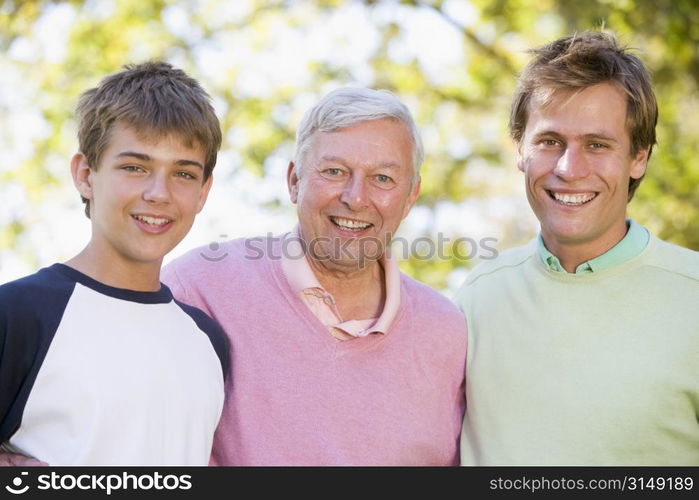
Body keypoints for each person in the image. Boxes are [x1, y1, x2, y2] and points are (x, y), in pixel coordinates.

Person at [162, 87, 466, 465]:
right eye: (334, 171)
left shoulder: (447, 332)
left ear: (410, 196)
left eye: (383, 178)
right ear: (294, 180)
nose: (356, 198)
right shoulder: (198, 288)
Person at [454, 31, 699, 465]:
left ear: (638, 157)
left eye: (597, 145)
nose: (569, 169)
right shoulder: (476, 298)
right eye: (550, 142)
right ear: (521, 151)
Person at [0, 61, 229, 466]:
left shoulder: (208, 340)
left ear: (203, 192)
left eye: (183, 173)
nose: (159, 193)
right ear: (86, 174)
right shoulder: (17, 315)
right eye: (134, 167)